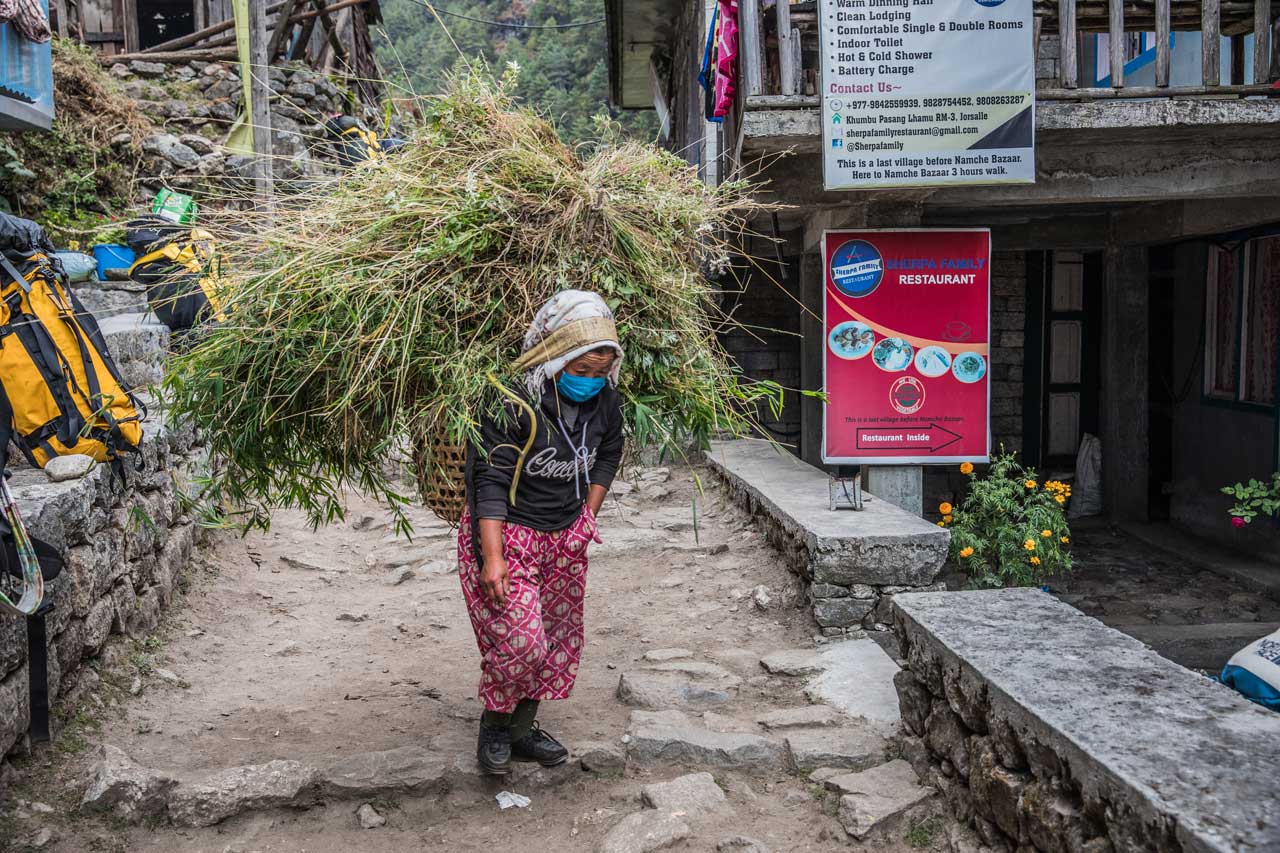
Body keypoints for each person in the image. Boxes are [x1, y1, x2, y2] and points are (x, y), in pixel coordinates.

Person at [457, 290, 625, 775]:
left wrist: (586, 515)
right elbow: (487, 480)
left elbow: (608, 454)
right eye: (581, 372)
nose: (590, 383)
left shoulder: (606, 402)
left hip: (565, 537)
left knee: (557, 641)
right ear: (555, 357)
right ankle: (494, 726)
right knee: (523, 642)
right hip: (507, 537)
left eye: (599, 374)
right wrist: (493, 558)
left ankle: (522, 729)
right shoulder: (513, 404)